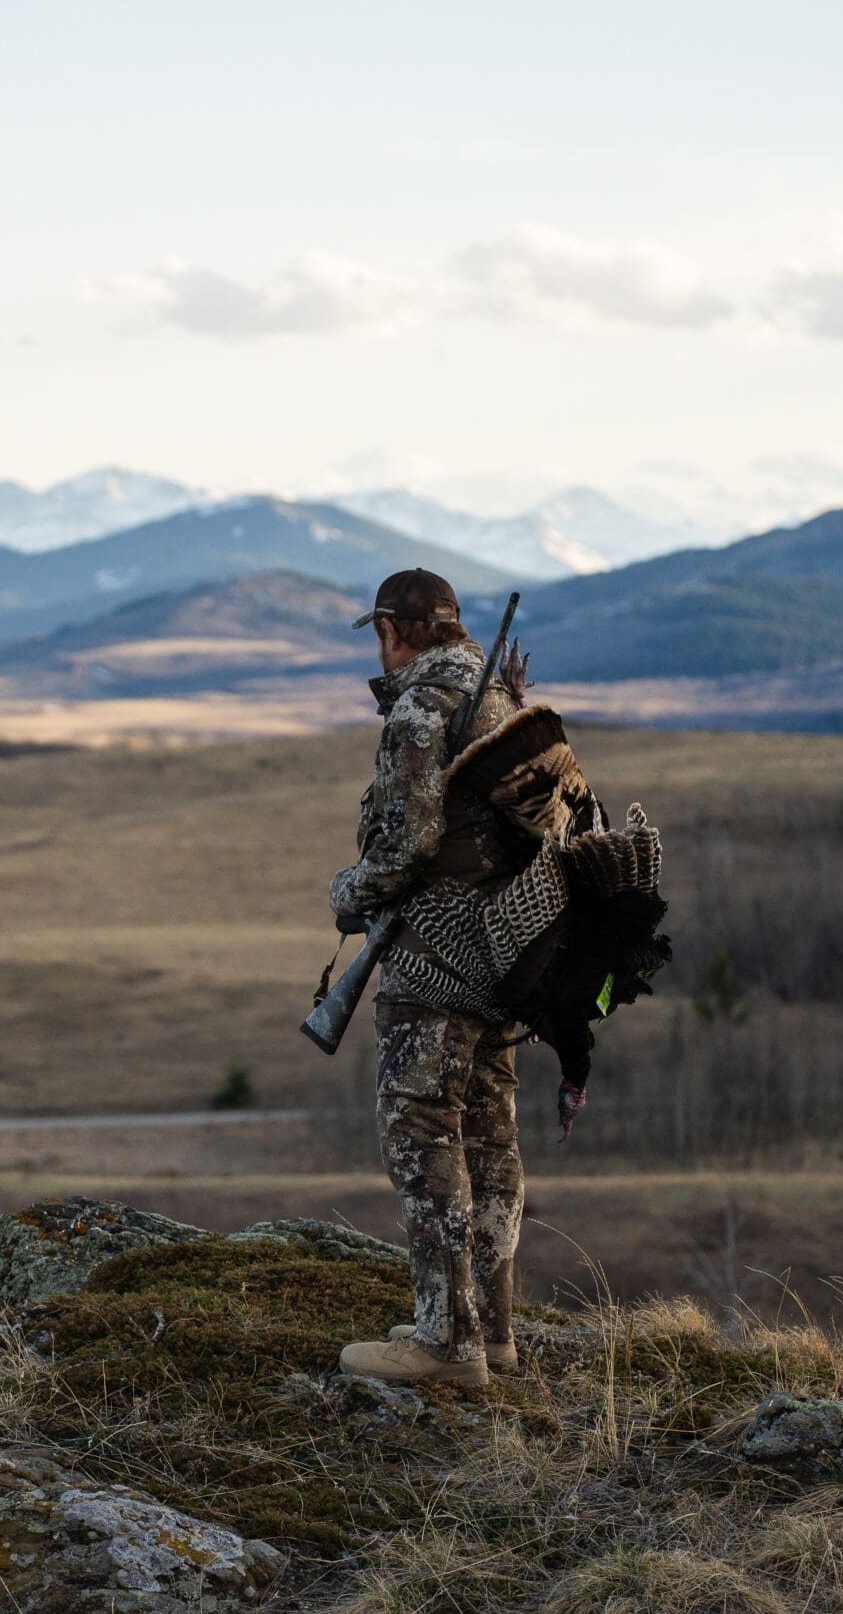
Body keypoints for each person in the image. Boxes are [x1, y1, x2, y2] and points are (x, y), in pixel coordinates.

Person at [327, 568, 528, 1390]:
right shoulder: (496, 700)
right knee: (489, 1137)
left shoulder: (419, 708)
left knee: (422, 1134)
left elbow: (406, 845)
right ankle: (494, 1331)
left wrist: (348, 892)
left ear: (392, 630)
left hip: (434, 959)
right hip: (501, 954)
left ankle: (447, 1344)